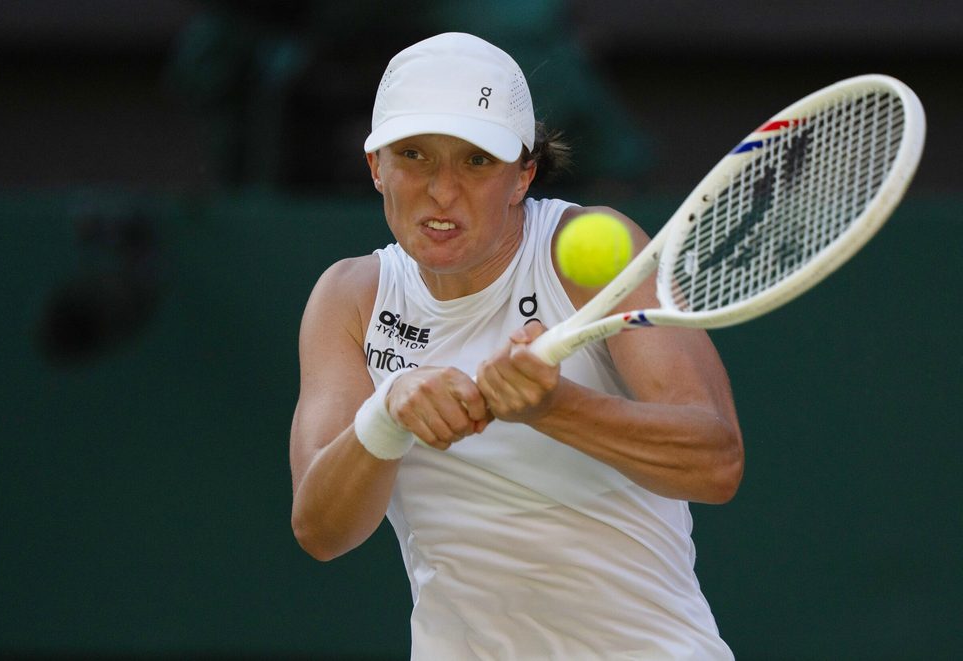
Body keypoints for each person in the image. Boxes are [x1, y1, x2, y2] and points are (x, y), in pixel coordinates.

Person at [290, 32, 744, 659]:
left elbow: (715, 462)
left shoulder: (587, 249)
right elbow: (319, 529)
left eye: (476, 160)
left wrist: (554, 408)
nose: (442, 190)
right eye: (414, 155)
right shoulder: (350, 297)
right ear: (376, 167)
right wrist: (388, 411)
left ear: (522, 174)